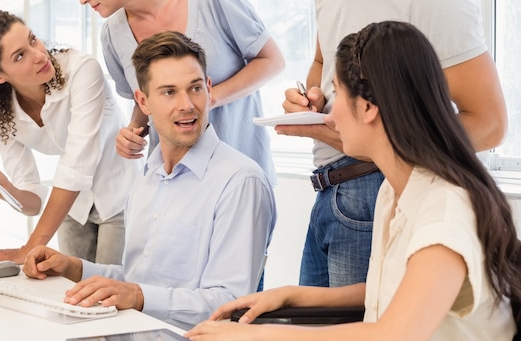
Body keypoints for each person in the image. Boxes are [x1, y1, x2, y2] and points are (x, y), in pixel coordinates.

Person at [186, 21, 521, 340]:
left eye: (337, 94)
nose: (330, 115)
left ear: (367, 106)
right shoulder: (396, 188)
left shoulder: (445, 211)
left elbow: (393, 335)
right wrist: (291, 295)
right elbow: (391, 289)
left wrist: (256, 335)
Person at [22, 30, 276, 330]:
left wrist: (138, 296)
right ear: (143, 102)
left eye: (195, 88)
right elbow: (138, 280)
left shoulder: (240, 182)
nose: (187, 105)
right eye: (169, 92)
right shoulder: (146, 177)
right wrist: (75, 268)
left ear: (208, 89)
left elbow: (230, 304)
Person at [280, 0, 508, 287]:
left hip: (374, 181)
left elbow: (490, 124)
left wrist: (377, 142)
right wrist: (313, 97)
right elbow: (322, 62)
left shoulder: (440, 7)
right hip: (329, 188)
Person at [0, 10, 140, 265]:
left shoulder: (82, 70)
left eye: (33, 40)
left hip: (120, 195)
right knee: (71, 293)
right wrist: (7, 189)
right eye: (20, 56)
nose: (39, 55)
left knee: (108, 291)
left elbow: (76, 165)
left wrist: (29, 247)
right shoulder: (3, 113)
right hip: (72, 208)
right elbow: (33, 202)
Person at [79, 0, 284, 188]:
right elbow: (143, 100)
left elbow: (272, 61)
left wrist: (209, 98)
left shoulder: (214, 4)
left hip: (239, 177)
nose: (82, 1)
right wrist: (134, 129)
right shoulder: (112, 34)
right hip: (172, 183)